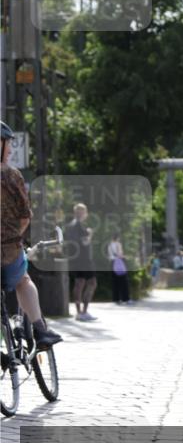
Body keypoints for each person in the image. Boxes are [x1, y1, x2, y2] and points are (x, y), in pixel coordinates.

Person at [0, 123, 62, 349]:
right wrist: (14, 236)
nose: (9, 151)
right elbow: (25, 216)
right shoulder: (10, 175)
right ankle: (40, 329)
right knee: (23, 280)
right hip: (7, 252)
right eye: (7, 145)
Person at [64, 203, 98, 321]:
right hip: (84, 260)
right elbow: (84, 243)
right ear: (82, 213)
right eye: (83, 212)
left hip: (75, 259)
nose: (84, 214)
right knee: (92, 283)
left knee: (79, 283)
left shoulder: (72, 225)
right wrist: (90, 234)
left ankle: (80, 312)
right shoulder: (78, 226)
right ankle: (83, 312)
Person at [107, 233, 131, 304]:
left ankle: (116, 299)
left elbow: (110, 255)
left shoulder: (109, 245)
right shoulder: (118, 244)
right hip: (119, 263)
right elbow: (119, 255)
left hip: (112, 263)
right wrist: (125, 257)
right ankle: (126, 299)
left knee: (115, 282)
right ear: (117, 238)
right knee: (124, 282)